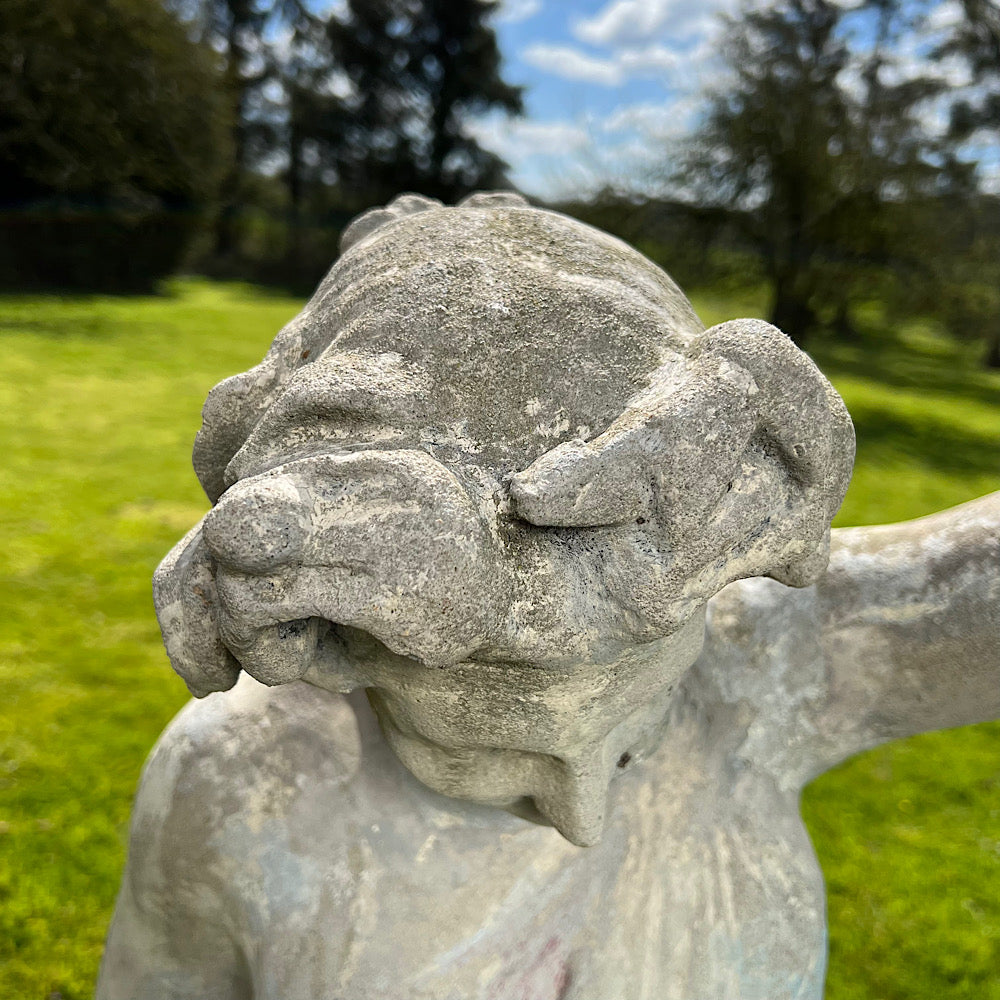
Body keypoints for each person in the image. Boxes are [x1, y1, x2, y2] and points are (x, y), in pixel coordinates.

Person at [97, 195, 999, 1000]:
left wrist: (755, 375)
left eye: (629, 694)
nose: (577, 808)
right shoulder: (242, 781)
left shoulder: (764, 662)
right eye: (458, 723)